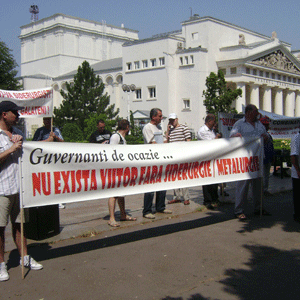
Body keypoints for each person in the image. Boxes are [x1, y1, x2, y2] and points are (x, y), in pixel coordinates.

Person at [0, 101, 43, 282]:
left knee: (20, 225)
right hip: (2, 189)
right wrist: (10, 149)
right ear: (4, 114)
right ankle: (1, 265)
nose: (18, 116)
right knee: (0, 228)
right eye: (15, 113)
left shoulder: (18, 133)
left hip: (19, 188)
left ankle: (25, 257)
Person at [230, 104, 271, 220]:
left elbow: (266, 136)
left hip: (257, 160)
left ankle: (259, 208)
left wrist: (266, 136)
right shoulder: (239, 124)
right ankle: (238, 210)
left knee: (258, 186)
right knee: (242, 186)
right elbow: (231, 136)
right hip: (244, 160)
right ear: (248, 113)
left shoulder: (259, 124)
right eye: (255, 112)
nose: (257, 114)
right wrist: (235, 136)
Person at [142, 108, 172, 219]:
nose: (161, 118)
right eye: (159, 116)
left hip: (161, 160)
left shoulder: (159, 127)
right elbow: (153, 143)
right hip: (151, 161)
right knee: (150, 186)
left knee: (162, 184)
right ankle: (147, 210)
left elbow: (165, 141)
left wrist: (167, 133)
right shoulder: (147, 128)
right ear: (153, 117)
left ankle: (160, 207)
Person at [108, 119, 137, 227]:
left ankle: (123, 214)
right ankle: (111, 218)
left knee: (121, 193)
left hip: (121, 170)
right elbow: (111, 152)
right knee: (113, 194)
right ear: (127, 127)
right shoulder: (115, 137)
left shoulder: (122, 139)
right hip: (115, 170)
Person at [33, 117, 65, 208]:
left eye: (49, 120)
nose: (47, 121)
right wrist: (47, 141)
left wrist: (56, 137)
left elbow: (63, 142)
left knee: (57, 178)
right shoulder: (40, 131)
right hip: (44, 159)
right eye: (45, 120)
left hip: (55, 157)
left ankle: (59, 199)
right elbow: (34, 143)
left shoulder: (56, 130)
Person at [197, 114, 222, 209]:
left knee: (214, 180)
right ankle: (207, 200)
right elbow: (209, 143)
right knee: (207, 180)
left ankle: (215, 198)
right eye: (214, 121)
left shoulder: (212, 130)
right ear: (210, 121)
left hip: (213, 158)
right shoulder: (202, 131)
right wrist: (217, 137)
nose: (215, 123)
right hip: (205, 159)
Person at [166, 113, 191, 205]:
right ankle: (177, 196)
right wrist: (168, 131)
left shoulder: (184, 127)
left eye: (173, 120)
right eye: (170, 120)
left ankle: (186, 197)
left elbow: (188, 140)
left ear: (177, 119)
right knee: (174, 177)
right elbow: (167, 142)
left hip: (182, 155)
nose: (172, 122)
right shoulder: (171, 130)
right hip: (174, 156)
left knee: (183, 177)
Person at [260, 116, 274, 196]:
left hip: (268, 158)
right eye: (266, 125)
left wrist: (273, 157)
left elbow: (271, 147)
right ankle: (261, 190)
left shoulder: (268, 135)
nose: (267, 127)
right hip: (261, 158)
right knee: (261, 175)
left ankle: (265, 189)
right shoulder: (260, 135)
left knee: (266, 175)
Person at [290, 132, 300, 223]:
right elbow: (293, 156)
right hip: (297, 174)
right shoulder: (296, 138)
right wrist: (298, 170)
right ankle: (297, 215)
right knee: (298, 196)